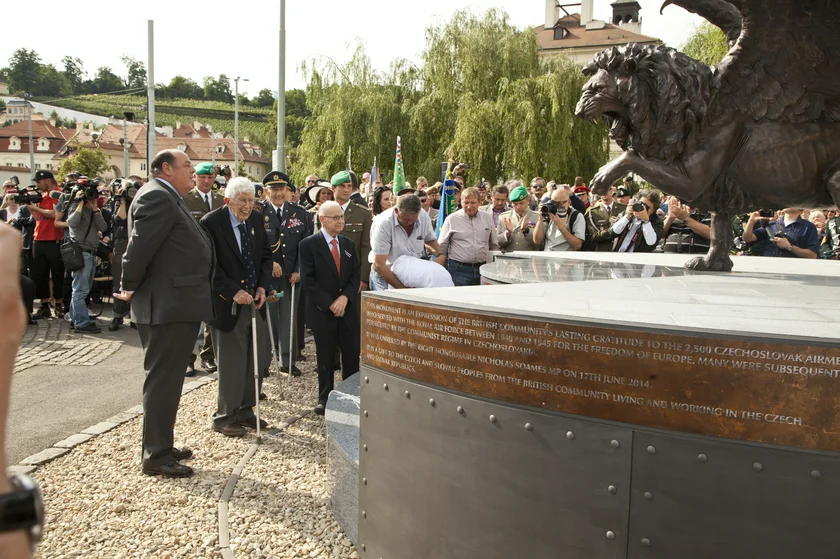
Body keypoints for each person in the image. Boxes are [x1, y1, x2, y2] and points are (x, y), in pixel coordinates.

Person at [114, 149, 214, 478]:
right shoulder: (156, 196)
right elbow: (139, 248)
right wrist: (128, 286)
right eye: (187, 166)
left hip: (176, 304)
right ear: (167, 169)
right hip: (165, 307)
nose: (192, 171)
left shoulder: (168, 195)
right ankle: (155, 455)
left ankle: (162, 445)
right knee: (162, 383)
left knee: (169, 383)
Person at [200, 177, 272, 437]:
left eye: (252, 200)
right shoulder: (210, 223)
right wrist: (233, 291)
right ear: (227, 200)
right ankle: (224, 416)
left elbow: (265, 256)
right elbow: (208, 266)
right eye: (242, 200)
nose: (248, 206)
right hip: (227, 304)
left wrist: (263, 286)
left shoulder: (255, 221)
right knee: (231, 362)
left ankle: (245, 409)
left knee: (255, 358)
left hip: (255, 302)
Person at [298, 201, 361, 415]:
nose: (340, 221)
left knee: (351, 356)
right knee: (324, 358)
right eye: (335, 218)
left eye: (341, 217)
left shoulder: (348, 244)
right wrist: (330, 303)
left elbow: (355, 276)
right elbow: (309, 281)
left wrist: (345, 298)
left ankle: (351, 396)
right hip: (322, 311)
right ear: (322, 219)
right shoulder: (308, 245)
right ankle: (324, 397)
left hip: (348, 310)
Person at [260, 171, 308, 376]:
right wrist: (271, 263)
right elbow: (256, 246)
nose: (278, 193)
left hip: (291, 277)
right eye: (274, 189)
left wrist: (299, 270)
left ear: (287, 190)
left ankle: (286, 360)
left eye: (281, 189)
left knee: (288, 318)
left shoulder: (301, 213)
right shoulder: (258, 214)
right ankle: (265, 361)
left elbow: (305, 246)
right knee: (268, 319)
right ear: (266, 191)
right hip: (267, 277)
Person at [182, 163, 226, 374]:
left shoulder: (220, 201)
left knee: (211, 313)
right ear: (195, 177)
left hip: (215, 264)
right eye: (202, 177)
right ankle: (188, 357)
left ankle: (208, 356)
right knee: (191, 313)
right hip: (192, 263)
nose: (206, 181)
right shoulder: (185, 199)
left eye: (210, 178)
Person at [371, 194, 442, 290]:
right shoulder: (383, 223)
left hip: (412, 273)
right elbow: (379, 265)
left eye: (414, 219)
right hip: (385, 274)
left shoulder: (423, 216)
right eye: (406, 219)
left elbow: (430, 241)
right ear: (396, 211)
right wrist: (402, 289)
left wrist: (440, 256)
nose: (410, 223)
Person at [436, 187, 499, 286]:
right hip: (459, 271)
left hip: (483, 269)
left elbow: (494, 245)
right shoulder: (451, 219)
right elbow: (441, 247)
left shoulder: (487, 218)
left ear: (479, 202)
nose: (469, 206)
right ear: (461, 202)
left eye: (473, 203)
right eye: (466, 202)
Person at [66, 187, 108, 333]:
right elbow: (72, 223)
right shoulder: (74, 207)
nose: (90, 198)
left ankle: (74, 318)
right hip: (81, 252)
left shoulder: (94, 210)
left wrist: (95, 209)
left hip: (91, 253)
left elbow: (103, 226)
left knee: (83, 289)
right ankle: (82, 323)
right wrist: (79, 203)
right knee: (80, 290)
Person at [28, 170, 64, 320]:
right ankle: (44, 306)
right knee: (40, 274)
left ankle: (59, 304)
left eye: (39, 182)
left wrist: (36, 208)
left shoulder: (57, 194)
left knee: (57, 273)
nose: (37, 185)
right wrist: (30, 206)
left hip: (54, 239)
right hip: (39, 238)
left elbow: (55, 214)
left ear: (47, 180)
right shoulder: (42, 196)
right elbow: (38, 217)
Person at [742, 208, 819, 258]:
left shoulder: (808, 227)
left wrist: (789, 247)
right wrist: (751, 221)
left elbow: (812, 255)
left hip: (794, 271)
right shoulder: (771, 225)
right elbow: (747, 238)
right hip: (770, 269)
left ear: (801, 210)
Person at [535, 187, 585, 252]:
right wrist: (540, 218)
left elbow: (577, 245)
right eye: (554, 203)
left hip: (565, 258)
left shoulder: (576, 216)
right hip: (548, 257)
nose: (558, 206)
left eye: (561, 203)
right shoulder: (549, 214)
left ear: (569, 202)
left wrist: (561, 227)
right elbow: (537, 240)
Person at [496, 185, 542, 251]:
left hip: (529, 259)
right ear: (511, 203)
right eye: (515, 204)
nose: (518, 207)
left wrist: (526, 231)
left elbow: (540, 245)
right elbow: (498, 243)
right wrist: (507, 233)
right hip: (509, 259)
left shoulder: (538, 217)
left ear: (528, 201)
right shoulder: (504, 217)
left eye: (521, 203)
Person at [0, 194, 34, 276]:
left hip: (20, 238)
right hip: (6, 239)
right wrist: (8, 223)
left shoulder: (22, 209)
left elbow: (24, 221)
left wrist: (18, 221)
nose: (13, 200)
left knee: (23, 263)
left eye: (15, 198)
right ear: (7, 200)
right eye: (11, 198)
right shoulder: (3, 211)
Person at [586, 186, 627, 252]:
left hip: (621, 251)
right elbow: (593, 236)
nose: (604, 192)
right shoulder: (593, 212)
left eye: (607, 189)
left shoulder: (624, 209)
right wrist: (612, 229)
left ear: (612, 191)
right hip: (603, 253)